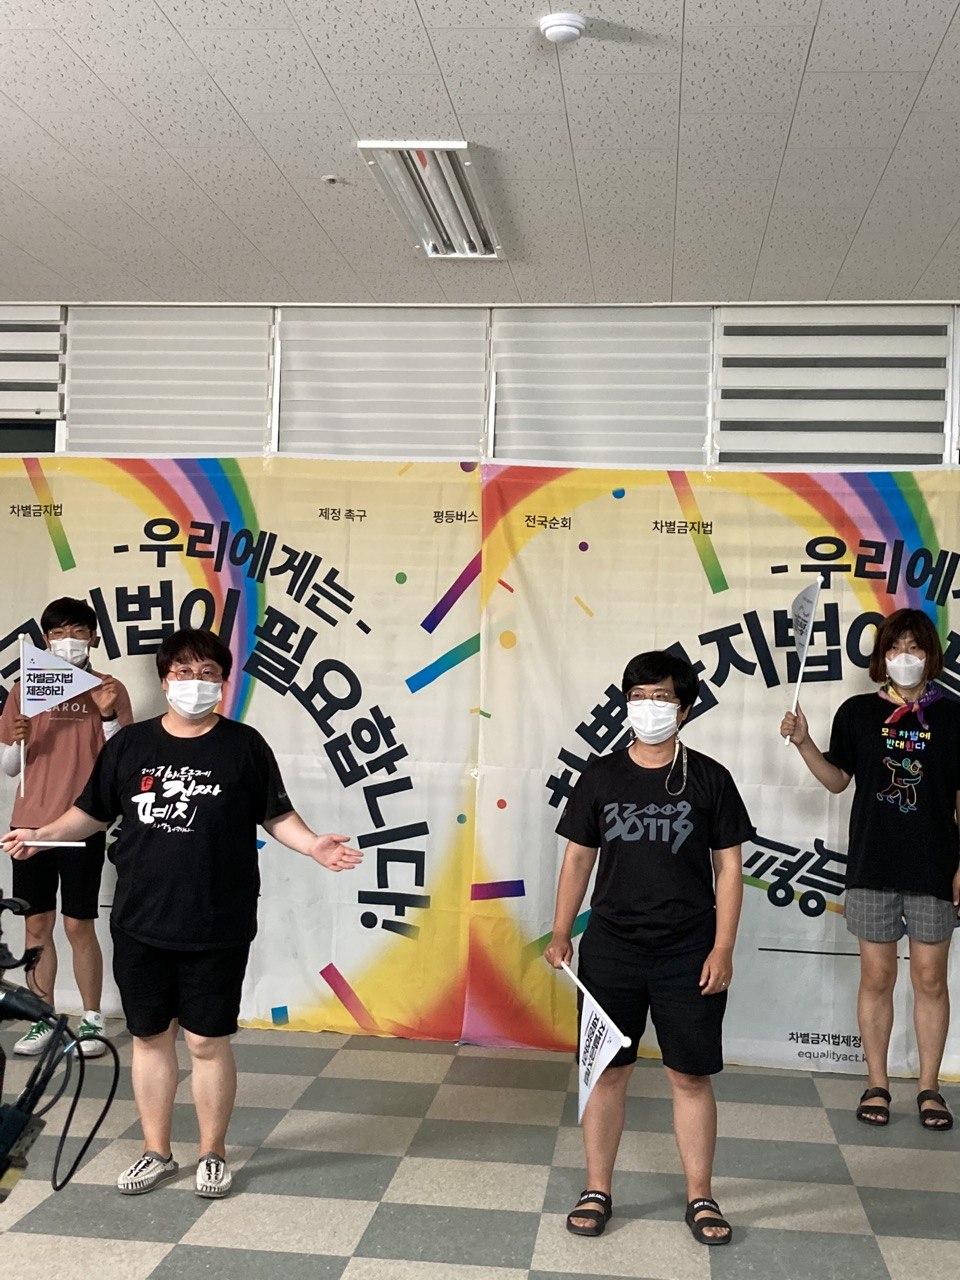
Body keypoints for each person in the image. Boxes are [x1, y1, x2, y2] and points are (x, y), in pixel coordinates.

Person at [2, 627, 362, 1199]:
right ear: (165, 681)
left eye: (207, 674)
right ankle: (157, 1151)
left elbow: (276, 814)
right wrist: (41, 835)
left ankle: (211, 1153)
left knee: (206, 1041)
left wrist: (313, 844)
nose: (195, 683)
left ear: (223, 682)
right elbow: (92, 812)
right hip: (141, 919)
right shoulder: (130, 745)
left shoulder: (244, 746)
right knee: (150, 1037)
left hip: (218, 920)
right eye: (183, 673)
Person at [544, 650, 753, 1246]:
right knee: (607, 1072)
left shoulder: (710, 777)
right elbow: (578, 857)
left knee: (690, 1076)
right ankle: (597, 1188)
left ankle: (700, 1196)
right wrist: (561, 931)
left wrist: (723, 948)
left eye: (662, 697)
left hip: (689, 951)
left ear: (684, 709)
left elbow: (729, 869)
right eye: (638, 696)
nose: (649, 707)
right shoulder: (601, 776)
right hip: (611, 949)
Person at [782, 607, 960, 1133]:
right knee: (877, 976)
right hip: (871, 865)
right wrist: (804, 742)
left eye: (915, 647)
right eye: (895, 648)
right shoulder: (857, 712)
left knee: (930, 978)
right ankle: (877, 1083)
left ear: (930, 656)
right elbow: (838, 781)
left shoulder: (954, 717)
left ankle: (929, 1087)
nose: (905, 657)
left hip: (935, 867)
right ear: (881, 657)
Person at [0, 596, 133, 1058]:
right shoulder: (25, 687)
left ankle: (92, 1017)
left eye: (77, 632)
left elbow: (121, 761)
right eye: (58, 633)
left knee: (79, 923)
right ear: (45, 640)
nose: (68, 641)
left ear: (93, 637)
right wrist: (17, 742)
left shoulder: (108, 688)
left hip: (82, 825)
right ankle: (44, 1019)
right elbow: (10, 768)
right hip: (29, 826)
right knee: (36, 924)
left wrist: (108, 714)